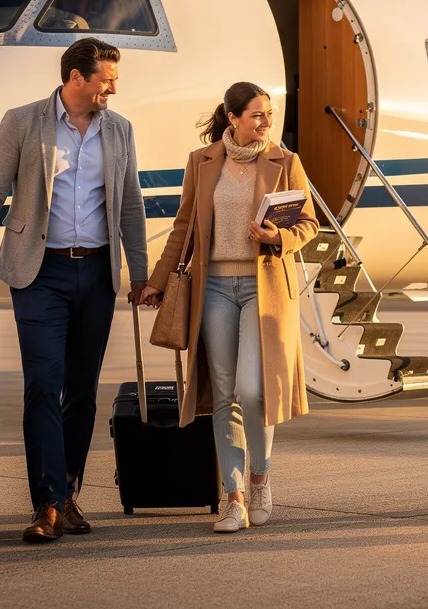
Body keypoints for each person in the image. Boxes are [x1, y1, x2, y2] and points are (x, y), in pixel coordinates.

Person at [0, 37, 148, 543]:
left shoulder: (121, 130)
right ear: (76, 78)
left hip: (98, 274)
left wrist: (142, 273)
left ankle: (67, 493)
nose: (113, 87)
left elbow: (130, 205)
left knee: (82, 391)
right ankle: (47, 504)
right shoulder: (23, 121)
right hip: (39, 273)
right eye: (106, 79)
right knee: (44, 384)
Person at [140, 81, 318, 534]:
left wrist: (278, 237)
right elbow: (183, 228)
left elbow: (309, 224)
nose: (266, 122)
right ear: (233, 117)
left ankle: (261, 477)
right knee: (224, 394)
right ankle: (233, 498)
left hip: (265, 287)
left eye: (269, 115)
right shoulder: (201, 163)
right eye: (257, 115)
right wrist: (156, 282)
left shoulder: (286, 162)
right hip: (214, 287)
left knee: (253, 390)